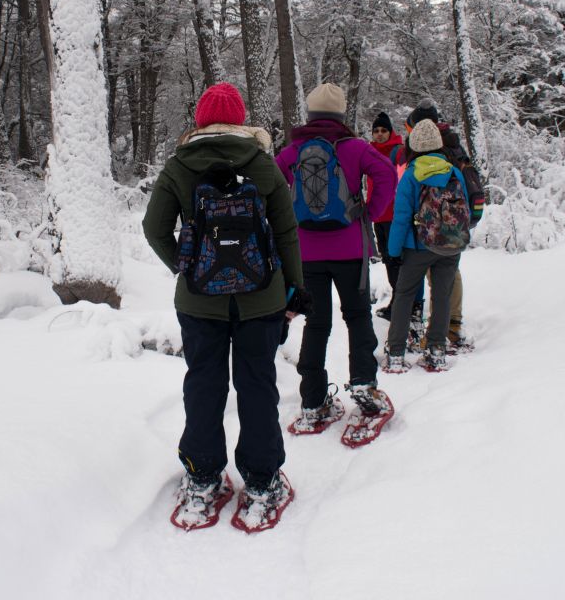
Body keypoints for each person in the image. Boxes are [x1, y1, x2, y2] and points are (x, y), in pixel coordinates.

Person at [142, 82, 307, 531]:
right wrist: (294, 290)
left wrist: (186, 265)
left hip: (199, 303)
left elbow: (154, 228)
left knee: (203, 386)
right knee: (257, 386)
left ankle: (202, 478)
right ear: (239, 120)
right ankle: (261, 481)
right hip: (261, 299)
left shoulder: (178, 166)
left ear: (198, 120)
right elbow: (287, 232)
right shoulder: (263, 163)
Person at [275, 84, 396, 428]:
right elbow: (386, 174)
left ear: (310, 115)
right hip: (350, 250)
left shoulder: (294, 150)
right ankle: (363, 384)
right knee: (357, 318)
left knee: (316, 324)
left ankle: (313, 400)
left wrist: (288, 220)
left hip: (307, 253)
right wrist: (368, 211)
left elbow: (269, 181)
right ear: (341, 115)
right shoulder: (355, 148)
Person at [385, 119, 471, 372]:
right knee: (442, 296)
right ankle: (436, 349)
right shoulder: (454, 172)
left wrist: (392, 251)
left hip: (417, 247)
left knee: (404, 296)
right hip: (450, 245)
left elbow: (400, 218)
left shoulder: (412, 173)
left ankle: (397, 353)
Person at [403, 99, 485, 351]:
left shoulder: (429, 148)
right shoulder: (453, 144)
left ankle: (441, 331)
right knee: (451, 271)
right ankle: (452, 325)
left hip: (434, 223)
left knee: (436, 276)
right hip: (460, 217)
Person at [368, 111, 405, 320]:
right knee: (388, 260)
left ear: (390, 132)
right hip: (378, 215)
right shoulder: (369, 152)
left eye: (384, 130)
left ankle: (402, 303)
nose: (380, 134)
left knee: (396, 260)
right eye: (376, 131)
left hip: (394, 215)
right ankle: (397, 301)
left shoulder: (398, 152)